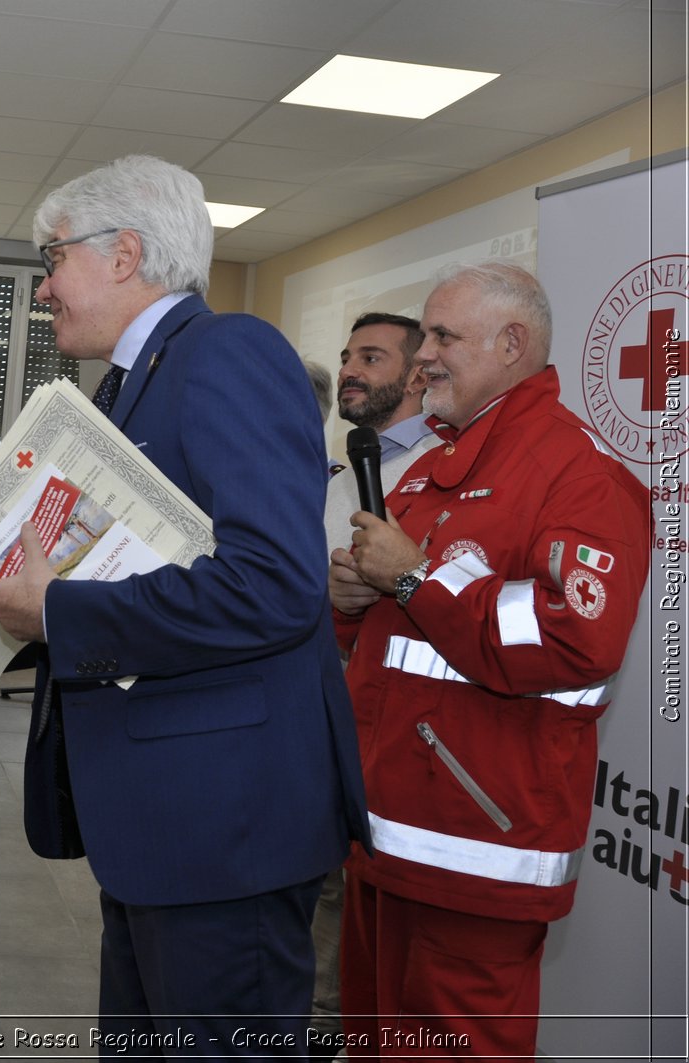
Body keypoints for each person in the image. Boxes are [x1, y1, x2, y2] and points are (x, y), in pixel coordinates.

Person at [0, 155, 367, 1057]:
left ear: (124, 254)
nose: (43, 288)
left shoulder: (229, 352)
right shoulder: (134, 379)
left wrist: (58, 613)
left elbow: (272, 584)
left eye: (51, 259)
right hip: (164, 821)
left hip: (225, 825)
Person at [330, 262, 651, 1059]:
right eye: (424, 336)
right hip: (384, 841)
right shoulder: (437, 470)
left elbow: (579, 641)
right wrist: (347, 603)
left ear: (513, 342)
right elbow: (390, 641)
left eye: (443, 336)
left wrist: (410, 575)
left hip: (478, 854)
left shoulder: (579, 475)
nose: (421, 359)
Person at [311, 311, 438, 1052]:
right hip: (311, 686)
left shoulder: (433, 470)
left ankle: (326, 1030)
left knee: (341, 888)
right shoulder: (342, 466)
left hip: (375, 705)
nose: (351, 370)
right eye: (347, 356)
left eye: (372, 356)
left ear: (417, 373)